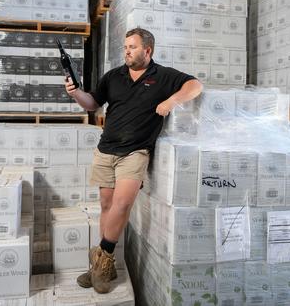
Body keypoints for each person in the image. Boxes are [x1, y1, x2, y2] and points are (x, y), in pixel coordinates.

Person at [65, 27, 203, 293]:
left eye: (133, 47)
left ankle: (101, 260)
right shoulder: (114, 76)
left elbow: (195, 85)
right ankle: (102, 267)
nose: (127, 51)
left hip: (136, 151)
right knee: (106, 205)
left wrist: (172, 101)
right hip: (106, 149)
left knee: (122, 203)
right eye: (125, 47)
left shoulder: (162, 76)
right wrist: (75, 93)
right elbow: (92, 103)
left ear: (147, 50)